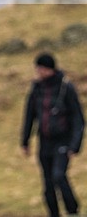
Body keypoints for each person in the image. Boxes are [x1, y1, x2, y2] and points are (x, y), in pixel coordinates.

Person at [21, 52, 85, 217]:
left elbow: (78, 118)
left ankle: (72, 211)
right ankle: (53, 213)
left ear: (48, 69)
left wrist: (75, 145)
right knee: (48, 184)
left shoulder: (65, 87)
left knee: (59, 175)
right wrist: (25, 141)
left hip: (62, 141)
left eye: (40, 69)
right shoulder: (36, 89)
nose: (38, 72)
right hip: (44, 142)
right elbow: (30, 115)